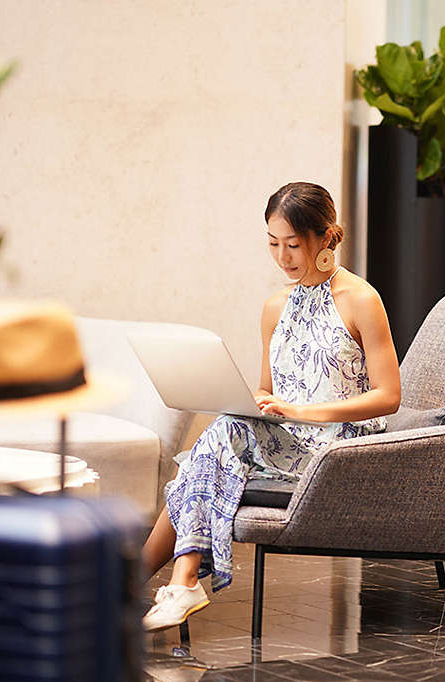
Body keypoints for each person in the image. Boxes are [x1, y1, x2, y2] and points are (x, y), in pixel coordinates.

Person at [140, 182, 401, 631]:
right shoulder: (274, 307)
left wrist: (304, 412)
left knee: (202, 459)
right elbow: (267, 393)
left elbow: (388, 397)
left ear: (326, 237)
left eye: (294, 245)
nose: (283, 257)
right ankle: (178, 582)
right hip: (287, 442)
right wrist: (259, 402)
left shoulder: (361, 300)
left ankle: (130, 586)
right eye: (273, 243)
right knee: (224, 432)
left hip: (341, 450)